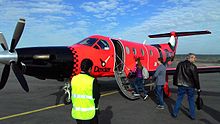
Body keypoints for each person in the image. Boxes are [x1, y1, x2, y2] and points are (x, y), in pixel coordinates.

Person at [171, 53, 201, 120]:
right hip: (190, 86)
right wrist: (198, 88)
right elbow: (196, 78)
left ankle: (174, 113)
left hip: (181, 85)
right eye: (194, 58)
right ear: (189, 58)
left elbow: (176, 74)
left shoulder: (180, 64)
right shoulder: (193, 66)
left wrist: (176, 83)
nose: (195, 59)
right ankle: (192, 115)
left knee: (179, 99)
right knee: (191, 100)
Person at [71, 58, 100, 124]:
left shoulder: (74, 79)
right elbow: (97, 96)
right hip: (89, 115)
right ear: (89, 68)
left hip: (77, 113)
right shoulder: (92, 80)